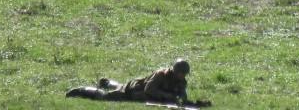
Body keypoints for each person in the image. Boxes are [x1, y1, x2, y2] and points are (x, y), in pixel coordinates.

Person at [66, 58, 205, 104]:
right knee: (105, 97)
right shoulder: (160, 75)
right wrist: (167, 96)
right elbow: (149, 90)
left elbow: (182, 93)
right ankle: (80, 90)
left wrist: (181, 98)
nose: (183, 76)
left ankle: (107, 82)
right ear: (175, 71)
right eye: (181, 73)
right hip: (134, 90)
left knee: (119, 86)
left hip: (139, 91)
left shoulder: (181, 81)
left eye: (184, 74)